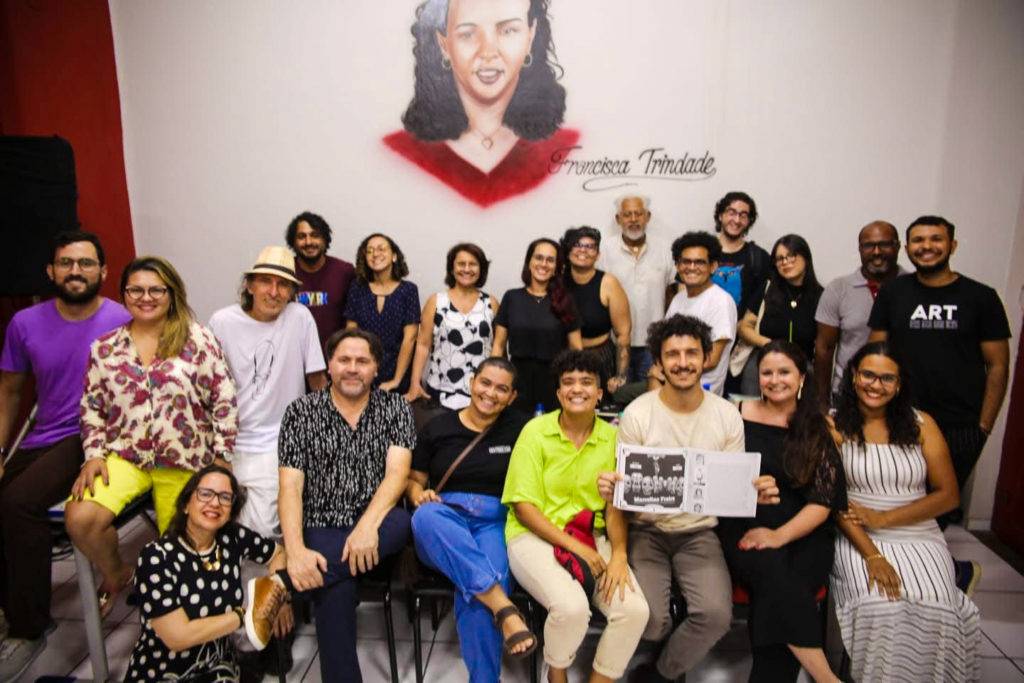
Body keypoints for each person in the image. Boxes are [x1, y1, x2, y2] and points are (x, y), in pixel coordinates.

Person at [595, 315, 779, 683]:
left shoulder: (726, 415)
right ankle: (666, 651)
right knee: (651, 619)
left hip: (699, 533)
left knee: (716, 616)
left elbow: (731, 488)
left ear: (706, 357)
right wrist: (615, 488)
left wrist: (753, 492)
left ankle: (661, 672)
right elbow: (625, 493)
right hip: (646, 530)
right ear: (658, 363)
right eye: (672, 354)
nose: (682, 362)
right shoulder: (638, 413)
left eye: (691, 353)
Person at [65, 256, 238, 620]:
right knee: (81, 518)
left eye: (156, 290)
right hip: (126, 457)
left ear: (171, 293)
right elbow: (92, 407)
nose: (146, 298)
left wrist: (222, 459)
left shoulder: (198, 339)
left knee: (186, 553)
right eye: (136, 290)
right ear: (124, 295)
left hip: (186, 458)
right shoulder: (105, 348)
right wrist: (93, 454)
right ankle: (118, 573)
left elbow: (223, 399)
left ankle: (182, 622)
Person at [0, 231, 130, 678]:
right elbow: (10, 390)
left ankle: (28, 628)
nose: (76, 271)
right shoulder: (24, 324)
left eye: (86, 263)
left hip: (94, 437)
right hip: (42, 437)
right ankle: (11, 604)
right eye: (66, 263)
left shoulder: (122, 319)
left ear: (103, 272)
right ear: (51, 271)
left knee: (17, 503)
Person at [830, 341, 980, 682]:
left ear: (899, 385)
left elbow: (948, 496)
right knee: (880, 606)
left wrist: (883, 518)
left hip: (917, 530)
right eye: (868, 375)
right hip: (856, 531)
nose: (875, 385)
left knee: (935, 606)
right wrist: (873, 555)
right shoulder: (833, 425)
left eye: (887, 378)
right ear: (853, 376)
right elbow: (831, 500)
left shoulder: (921, 424)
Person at [208, 246, 326, 675]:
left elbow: (317, 381)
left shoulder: (300, 318)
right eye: (266, 281)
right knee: (220, 529)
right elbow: (208, 385)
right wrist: (217, 453)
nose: (275, 291)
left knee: (259, 529)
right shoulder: (222, 322)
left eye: (284, 285)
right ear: (250, 284)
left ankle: (260, 635)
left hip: (282, 440)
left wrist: (324, 438)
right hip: (232, 442)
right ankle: (249, 624)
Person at [502, 350, 649, 683]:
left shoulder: (614, 438)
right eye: (568, 382)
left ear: (600, 393)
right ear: (558, 393)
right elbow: (524, 508)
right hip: (533, 536)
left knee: (634, 611)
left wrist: (619, 555)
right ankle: (556, 671)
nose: (577, 389)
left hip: (591, 536)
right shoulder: (535, 432)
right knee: (572, 609)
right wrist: (579, 549)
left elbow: (615, 507)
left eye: (586, 382)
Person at [277, 328, 415, 682]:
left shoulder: (396, 407)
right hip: (321, 524)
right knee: (336, 589)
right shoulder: (300, 412)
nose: (352, 368)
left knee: (403, 522)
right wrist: (295, 550)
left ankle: (281, 585)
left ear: (376, 368)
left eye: (362, 361)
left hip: (379, 523)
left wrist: (366, 528)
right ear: (330, 365)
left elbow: (397, 475)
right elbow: (290, 486)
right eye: (344, 360)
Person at [868, 215, 1010, 541]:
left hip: (960, 424)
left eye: (936, 239)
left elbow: (998, 365)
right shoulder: (893, 293)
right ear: (907, 248)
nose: (927, 246)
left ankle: (936, 564)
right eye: (918, 240)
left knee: (938, 510)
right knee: (897, 500)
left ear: (952, 245)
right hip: (900, 417)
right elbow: (875, 352)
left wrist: (984, 426)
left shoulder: (981, 297)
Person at [717, 341, 845, 682]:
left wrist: (780, 535)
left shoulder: (818, 426)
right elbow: (715, 474)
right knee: (773, 572)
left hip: (804, 530)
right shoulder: (735, 414)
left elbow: (823, 501)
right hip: (744, 523)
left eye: (784, 372)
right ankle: (827, 677)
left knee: (783, 590)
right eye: (767, 373)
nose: (775, 380)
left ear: (801, 377)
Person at [408, 358, 535, 682]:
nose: (490, 393)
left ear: (512, 396)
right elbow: (414, 481)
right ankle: (506, 609)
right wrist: (419, 494)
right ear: (472, 382)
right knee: (425, 516)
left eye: (501, 389)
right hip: (444, 522)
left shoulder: (522, 429)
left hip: (493, 523)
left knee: (481, 587)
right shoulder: (438, 427)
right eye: (485, 383)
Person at [383, 0, 579, 207]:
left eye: (508, 30)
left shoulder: (568, 147)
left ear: (530, 37)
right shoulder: (398, 153)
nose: (488, 52)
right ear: (444, 44)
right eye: (467, 34)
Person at [124, 465, 290, 682]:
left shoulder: (232, 538)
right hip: (164, 674)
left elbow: (278, 553)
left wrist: (274, 595)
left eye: (225, 497)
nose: (214, 503)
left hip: (220, 669)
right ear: (186, 504)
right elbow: (178, 637)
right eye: (205, 494)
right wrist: (245, 616)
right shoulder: (156, 557)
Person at [814, 221, 903, 407]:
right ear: (860, 249)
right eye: (869, 245)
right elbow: (824, 348)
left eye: (884, 244)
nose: (876, 252)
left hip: (901, 395)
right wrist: (822, 403)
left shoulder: (913, 287)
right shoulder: (838, 289)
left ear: (898, 246)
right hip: (847, 395)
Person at [492, 238, 582, 414]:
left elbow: (576, 348)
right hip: (517, 382)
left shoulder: (566, 301)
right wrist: (494, 379)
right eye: (539, 258)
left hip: (554, 382)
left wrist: (574, 383)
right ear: (529, 262)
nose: (544, 264)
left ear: (557, 267)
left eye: (550, 260)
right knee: (517, 427)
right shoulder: (511, 297)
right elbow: (498, 345)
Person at [405, 243, 498, 409]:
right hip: (440, 389)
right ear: (452, 268)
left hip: (482, 392)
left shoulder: (491, 303)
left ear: (481, 269)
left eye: (473, 264)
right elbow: (423, 345)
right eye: (461, 264)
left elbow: (498, 347)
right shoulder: (436, 301)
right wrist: (414, 383)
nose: (467, 269)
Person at [598, 195, 675, 383]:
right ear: (618, 219)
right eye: (627, 215)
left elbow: (671, 293)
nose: (633, 219)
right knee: (619, 394)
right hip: (616, 344)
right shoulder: (605, 250)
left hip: (654, 344)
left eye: (638, 214)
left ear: (648, 217)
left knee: (650, 395)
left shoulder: (665, 249)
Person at [736, 234, 823, 392]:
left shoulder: (821, 296)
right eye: (780, 259)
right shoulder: (767, 288)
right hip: (761, 365)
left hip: (802, 368)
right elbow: (744, 327)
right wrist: (770, 345)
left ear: (805, 257)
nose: (785, 262)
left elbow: (824, 344)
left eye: (791, 256)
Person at [660, 231, 737, 395]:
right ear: (677, 266)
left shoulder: (721, 301)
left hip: (701, 392)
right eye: (686, 262)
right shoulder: (678, 299)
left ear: (713, 267)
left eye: (699, 262)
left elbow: (711, 360)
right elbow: (663, 344)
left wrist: (662, 369)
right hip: (671, 383)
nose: (692, 267)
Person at [345, 233, 421, 394]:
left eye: (381, 249)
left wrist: (396, 380)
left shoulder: (409, 290)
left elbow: (410, 338)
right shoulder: (357, 287)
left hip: (399, 375)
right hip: (362, 373)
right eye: (370, 251)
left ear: (394, 256)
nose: (375, 254)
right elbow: (351, 332)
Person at [561, 226, 631, 394]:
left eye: (590, 246)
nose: (583, 250)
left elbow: (623, 334)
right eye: (577, 245)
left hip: (600, 359)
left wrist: (620, 376)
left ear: (598, 255)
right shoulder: (556, 282)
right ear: (568, 251)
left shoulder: (609, 283)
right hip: (562, 357)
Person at [286, 211, 356, 348]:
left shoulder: (345, 271)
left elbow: (356, 317)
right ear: (293, 242)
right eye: (301, 237)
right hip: (293, 354)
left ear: (325, 239)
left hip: (335, 356)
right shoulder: (285, 272)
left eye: (315, 235)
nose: (308, 242)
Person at [711, 191, 771, 313]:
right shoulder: (701, 251)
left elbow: (764, 301)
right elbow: (685, 292)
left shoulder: (759, 257)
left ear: (749, 221)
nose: (737, 220)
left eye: (743, 215)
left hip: (742, 325)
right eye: (731, 213)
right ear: (720, 215)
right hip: (700, 325)